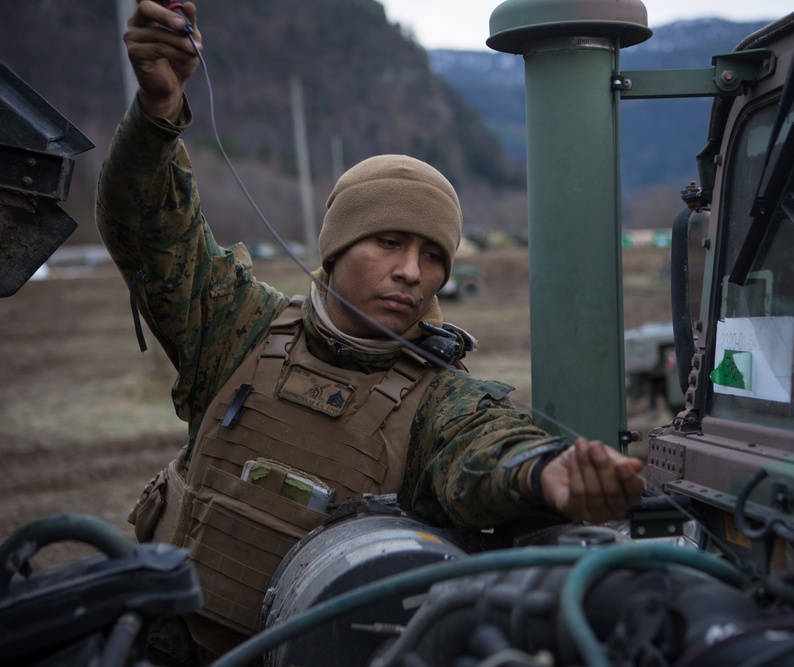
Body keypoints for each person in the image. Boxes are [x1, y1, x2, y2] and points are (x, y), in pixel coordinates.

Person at [96, 1, 645, 664]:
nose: (413, 272)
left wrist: (548, 472)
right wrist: (157, 109)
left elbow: (488, 444)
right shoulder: (239, 326)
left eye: (434, 254)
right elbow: (150, 228)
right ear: (334, 248)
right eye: (389, 241)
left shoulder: (438, 399)